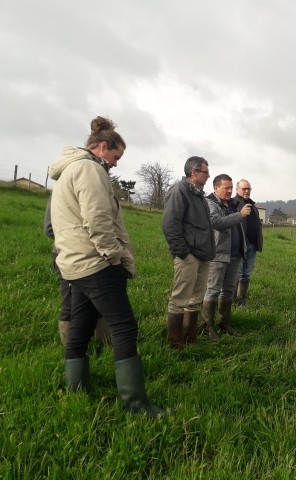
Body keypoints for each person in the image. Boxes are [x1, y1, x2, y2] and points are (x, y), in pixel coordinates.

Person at [49, 116, 161, 416]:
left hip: (73, 263)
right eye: (115, 156)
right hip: (95, 264)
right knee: (125, 327)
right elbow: (97, 218)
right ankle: (136, 405)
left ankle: (77, 390)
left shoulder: (69, 169)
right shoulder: (88, 169)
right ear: (100, 147)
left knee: (81, 327)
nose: (115, 163)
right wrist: (113, 257)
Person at [162, 156, 216, 349]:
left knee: (195, 299)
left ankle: (190, 338)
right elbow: (170, 224)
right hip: (189, 255)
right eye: (205, 172)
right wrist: (183, 254)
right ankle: (175, 343)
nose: (208, 176)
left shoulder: (199, 194)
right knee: (179, 300)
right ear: (194, 172)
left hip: (203, 255)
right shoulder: (179, 191)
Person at [44, 200, 111, 347]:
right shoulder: (62, 192)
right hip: (75, 256)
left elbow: (49, 229)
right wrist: (79, 241)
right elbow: (49, 228)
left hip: (87, 256)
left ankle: (101, 344)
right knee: (72, 302)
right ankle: (71, 348)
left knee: (98, 299)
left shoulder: (94, 188)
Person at [204, 174, 251, 336]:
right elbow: (216, 223)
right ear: (216, 188)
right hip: (218, 254)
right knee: (213, 290)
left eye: (231, 188)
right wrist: (240, 215)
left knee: (229, 290)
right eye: (226, 188)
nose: (230, 191)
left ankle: (225, 324)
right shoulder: (209, 203)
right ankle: (209, 327)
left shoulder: (231, 204)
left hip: (235, 254)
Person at [233, 179, 263, 306]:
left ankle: (241, 300)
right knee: (235, 273)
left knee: (246, 274)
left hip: (252, 245)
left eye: (248, 189)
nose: (246, 191)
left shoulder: (253, 205)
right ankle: (230, 300)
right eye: (244, 188)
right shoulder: (233, 204)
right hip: (239, 245)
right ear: (237, 189)